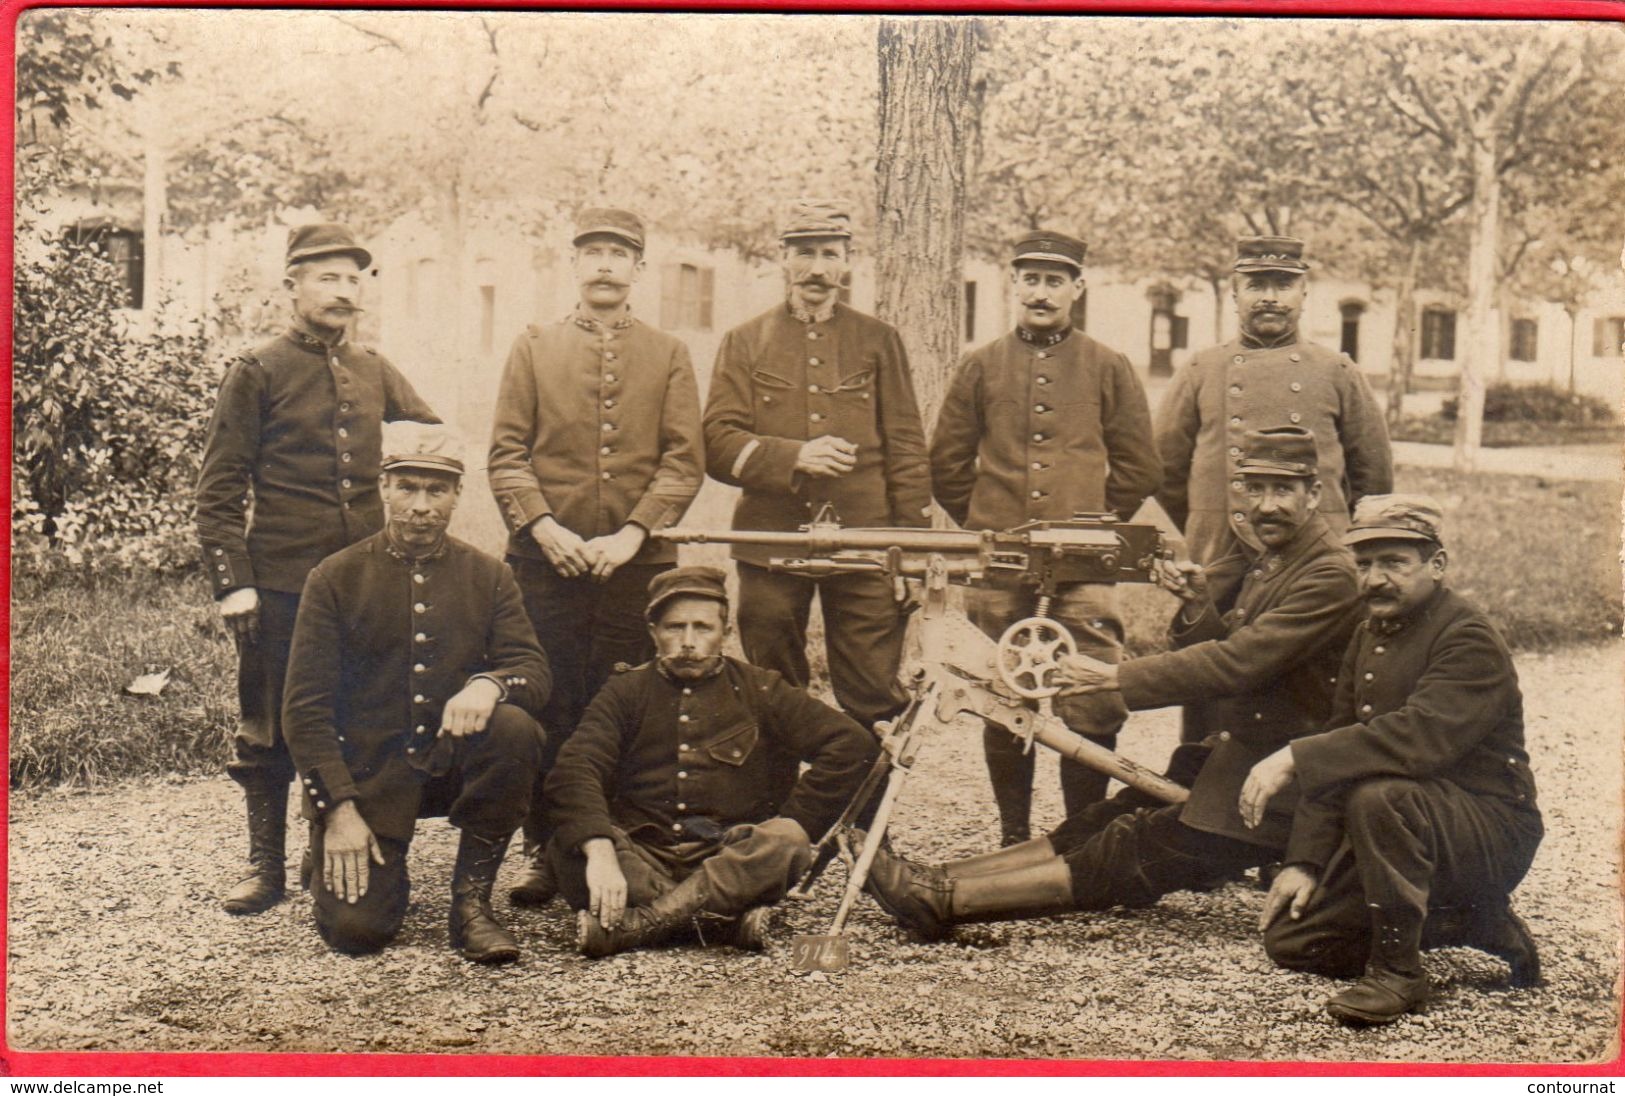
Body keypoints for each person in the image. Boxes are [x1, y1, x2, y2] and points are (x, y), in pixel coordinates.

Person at [861, 426, 1362, 940]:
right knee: (1104, 817)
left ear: (1315, 494)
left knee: (1134, 846)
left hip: (1288, 785)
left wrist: (1113, 676)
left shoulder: (1331, 574)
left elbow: (1240, 664)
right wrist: (1197, 607)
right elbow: (1251, 663)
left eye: (1282, 490)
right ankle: (937, 877)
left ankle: (943, 903)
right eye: (1254, 489)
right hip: (1247, 759)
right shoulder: (1280, 561)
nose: (1266, 506)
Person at [196, 223, 440, 916]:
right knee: (269, 721)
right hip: (280, 580)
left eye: (353, 279)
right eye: (326, 278)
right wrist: (232, 580)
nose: (342, 292)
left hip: (365, 581)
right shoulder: (258, 370)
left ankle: (325, 845)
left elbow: (429, 439)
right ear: (292, 286)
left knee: (359, 713)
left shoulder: (375, 369)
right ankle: (264, 866)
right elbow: (218, 489)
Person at [1249, 495, 1543, 1024]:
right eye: (1364, 564)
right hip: (1412, 823)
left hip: (1490, 831)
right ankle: (1471, 922)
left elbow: (1417, 739)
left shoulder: (1467, 636)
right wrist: (1305, 860)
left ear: (1437, 565)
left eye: (1394, 564)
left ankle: (1398, 972)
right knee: (1294, 941)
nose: (1375, 579)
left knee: (1380, 792)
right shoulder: (1371, 630)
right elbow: (1343, 738)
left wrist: (1293, 756)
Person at [488, 206, 704, 909]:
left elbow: (682, 462)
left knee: (626, 703)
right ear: (574, 264)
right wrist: (546, 529)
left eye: (619, 253)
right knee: (547, 701)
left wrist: (633, 535)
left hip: (633, 566)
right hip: (546, 564)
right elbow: (507, 454)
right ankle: (542, 850)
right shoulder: (533, 344)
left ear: (638, 268)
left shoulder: (669, 352)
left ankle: (617, 841)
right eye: (593, 252)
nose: (605, 264)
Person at [281, 423, 550, 962]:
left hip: (452, 765)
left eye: (436, 490)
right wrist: (337, 811)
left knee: (516, 728)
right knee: (357, 933)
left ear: (456, 496)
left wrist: (488, 684)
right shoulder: (334, 578)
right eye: (407, 487)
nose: (421, 506)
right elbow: (304, 711)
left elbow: (533, 670)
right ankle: (329, 847)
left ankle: (472, 904)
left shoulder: (490, 576)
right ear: (383, 488)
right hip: (371, 777)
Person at [929, 228, 1161, 843]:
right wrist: (988, 524)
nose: (1041, 292)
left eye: (1054, 280)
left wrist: (1090, 527)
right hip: (1001, 561)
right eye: (1030, 279)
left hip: (1086, 566)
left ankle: (1078, 836)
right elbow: (947, 464)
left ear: (1077, 289)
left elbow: (1140, 465)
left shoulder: (1108, 366)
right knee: (1006, 691)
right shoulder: (980, 365)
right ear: (1014, 285)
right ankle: (1012, 835)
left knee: (1092, 694)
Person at [542, 566, 878, 957]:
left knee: (787, 843)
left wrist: (793, 819)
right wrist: (600, 852)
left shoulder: (761, 688)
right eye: (674, 627)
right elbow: (575, 767)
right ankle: (725, 921)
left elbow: (851, 744)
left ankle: (639, 926)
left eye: (702, 628)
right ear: (653, 632)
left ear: (726, 633)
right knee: (569, 846)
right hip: (643, 855)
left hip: (728, 855)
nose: (688, 642)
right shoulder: (624, 691)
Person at [702, 197, 931, 740]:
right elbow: (715, 441)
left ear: (847, 263)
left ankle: (868, 819)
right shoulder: (745, 340)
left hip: (868, 538)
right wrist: (792, 456)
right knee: (770, 682)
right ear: (783, 259)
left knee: (874, 689)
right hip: (771, 539)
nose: (819, 269)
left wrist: (914, 551)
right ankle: (777, 808)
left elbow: (905, 446)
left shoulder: (879, 340)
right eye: (805, 253)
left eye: (831, 254)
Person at [1154, 234, 1392, 569]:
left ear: (1303, 293)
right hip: (1222, 546)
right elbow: (1165, 471)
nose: (1269, 298)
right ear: (1235, 294)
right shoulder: (1200, 369)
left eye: (1283, 285)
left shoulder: (1339, 371)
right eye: (1256, 285)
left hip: (1317, 548)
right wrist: (1206, 524)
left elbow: (1373, 478)